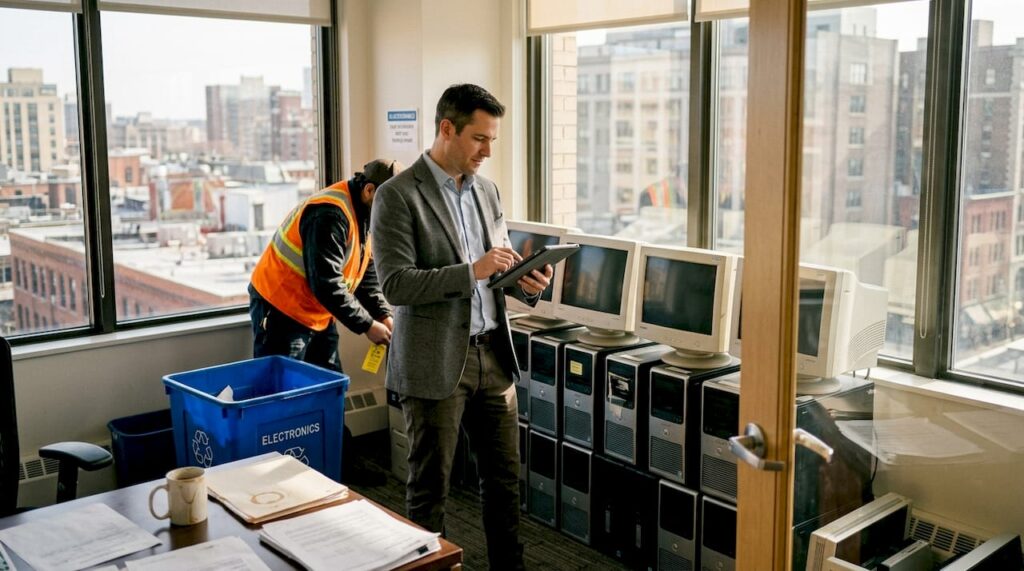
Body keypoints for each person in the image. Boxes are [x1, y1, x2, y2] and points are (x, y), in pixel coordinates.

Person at [371, 84, 552, 571]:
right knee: (430, 488)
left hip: (493, 355)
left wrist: (527, 284)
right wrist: (472, 270)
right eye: (479, 139)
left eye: (492, 139)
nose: (487, 151)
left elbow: (497, 272)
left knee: (504, 482)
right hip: (433, 361)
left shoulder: (487, 191)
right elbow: (395, 285)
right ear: (446, 129)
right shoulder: (396, 196)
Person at [248, 159, 402, 372]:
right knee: (282, 395)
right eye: (391, 204)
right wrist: (366, 325)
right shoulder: (330, 214)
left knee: (329, 388)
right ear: (369, 190)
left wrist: (383, 315)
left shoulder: (365, 214)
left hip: (318, 313)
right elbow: (326, 283)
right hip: (283, 310)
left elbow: (364, 273)